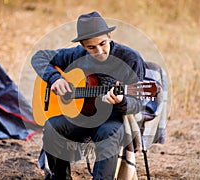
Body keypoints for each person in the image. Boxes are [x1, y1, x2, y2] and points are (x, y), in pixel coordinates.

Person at [32, 11, 147, 180]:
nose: (99, 51)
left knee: (110, 134)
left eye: (103, 43)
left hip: (111, 120)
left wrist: (121, 101)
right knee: (52, 127)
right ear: (83, 45)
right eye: (91, 47)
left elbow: (138, 103)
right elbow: (39, 57)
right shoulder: (77, 55)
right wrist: (54, 79)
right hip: (80, 117)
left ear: (109, 35)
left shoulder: (130, 59)